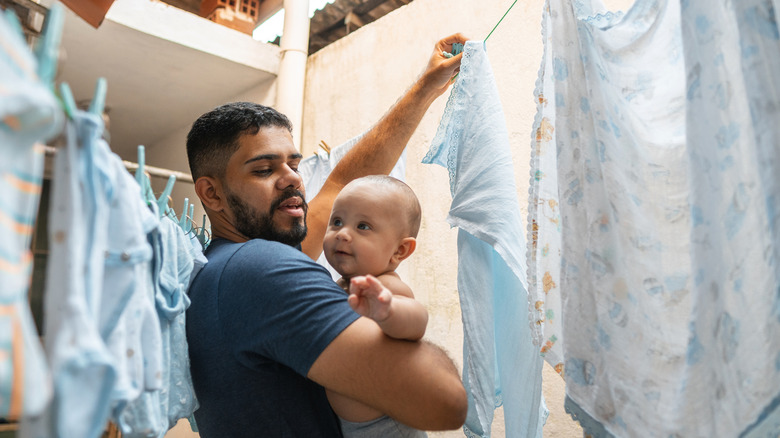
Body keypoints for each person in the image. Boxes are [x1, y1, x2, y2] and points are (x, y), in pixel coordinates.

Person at [185, 34, 469, 437]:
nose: (292, 180)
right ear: (211, 193)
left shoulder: (222, 265)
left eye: (293, 164)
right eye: (264, 169)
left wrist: (425, 88)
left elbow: (339, 185)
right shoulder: (261, 269)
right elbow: (446, 404)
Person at [323, 175, 428, 437]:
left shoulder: (387, 288)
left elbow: (417, 321)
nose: (343, 234)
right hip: (349, 426)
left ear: (400, 251)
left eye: (363, 226)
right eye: (337, 221)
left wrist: (389, 310)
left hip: (388, 425)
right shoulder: (338, 286)